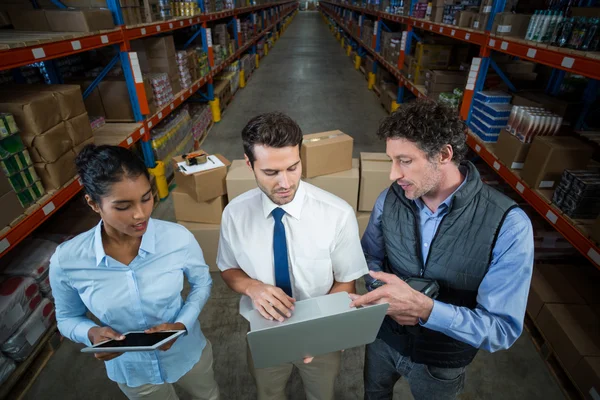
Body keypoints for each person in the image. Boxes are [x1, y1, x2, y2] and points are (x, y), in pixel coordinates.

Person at [350, 100, 534, 400]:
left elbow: (501, 328)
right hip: (383, 340)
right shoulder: (391, 199)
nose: (393, 175)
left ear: (444, 155)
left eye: (405, 161)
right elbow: (369, 257)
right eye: (391, 160)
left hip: (442, 362)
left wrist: (426, 310)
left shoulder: (508, 224)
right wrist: (382, 291)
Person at [217, 112, 368, 400]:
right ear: (249, 164)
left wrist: (319, 335)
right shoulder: (235, 215)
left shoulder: (337, 214)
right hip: (265, 333)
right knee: (268, 393)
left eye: (293, 168)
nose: (285, 183)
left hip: (321, 336)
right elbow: (228, 269)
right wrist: (253, 287)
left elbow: (346, 282)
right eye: (271, 173)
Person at [49, 145, 219, 400]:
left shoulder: (176, 239)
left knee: (208, 396)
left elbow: (202, 283)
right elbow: (67, 317)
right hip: (133, 371)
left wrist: (181, 325)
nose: (140, 214)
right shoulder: (68, 260)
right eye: (123, 206)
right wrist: (91, 333)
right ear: (94, 204)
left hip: (187, 353)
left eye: (146, 198)